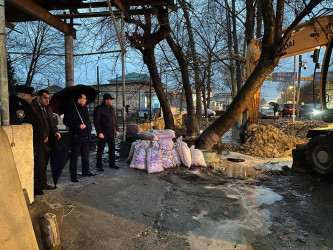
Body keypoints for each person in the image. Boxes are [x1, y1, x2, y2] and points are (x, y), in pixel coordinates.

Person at [9, 85, 46, 195]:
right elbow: (23, 121)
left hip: (35, 140)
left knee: (37, 164)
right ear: (23, 95)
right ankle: (33, 187)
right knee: (32, 164)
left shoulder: (25, 104)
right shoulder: (17, 104)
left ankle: (36, 185)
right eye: (31, 95)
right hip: (28, 141)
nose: (32, 97)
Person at [31, 89, 61, 189]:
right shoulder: (33, 107)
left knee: (45, 163)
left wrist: (56, 131)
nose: (47, 100)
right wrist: (43, 135)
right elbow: (35, 123)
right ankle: (37, 186)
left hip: (50, 140)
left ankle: (43, 183)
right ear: (38, 97)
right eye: (45, 98)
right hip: (40, 140)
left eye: (49, 98)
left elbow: (52, 121)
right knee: (39, 164)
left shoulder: (48, 107)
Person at [63, 93, 95, 182]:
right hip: (76, 136)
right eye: (84, 98)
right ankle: (73, 175)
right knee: (74, 156)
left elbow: (87, 120)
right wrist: (78, 125)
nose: (86, 100)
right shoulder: (71, 109)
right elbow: (66, 121)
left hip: (85, 136)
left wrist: (89, 129)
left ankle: (85, 170)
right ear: (78, 100)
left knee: (85, 155)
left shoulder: (85, 108)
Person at [93, 93, 119, 171]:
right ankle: (99, 165)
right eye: (110, 100)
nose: (112, 101)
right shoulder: (99, 109)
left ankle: (112, 164)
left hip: (111, 132)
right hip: (103, 133)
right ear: (106, 100)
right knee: (100, 150)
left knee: (112, 149)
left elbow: (115, 120)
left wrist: (117, 129)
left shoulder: (112, 109)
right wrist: (99, 132)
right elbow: (96, 122)